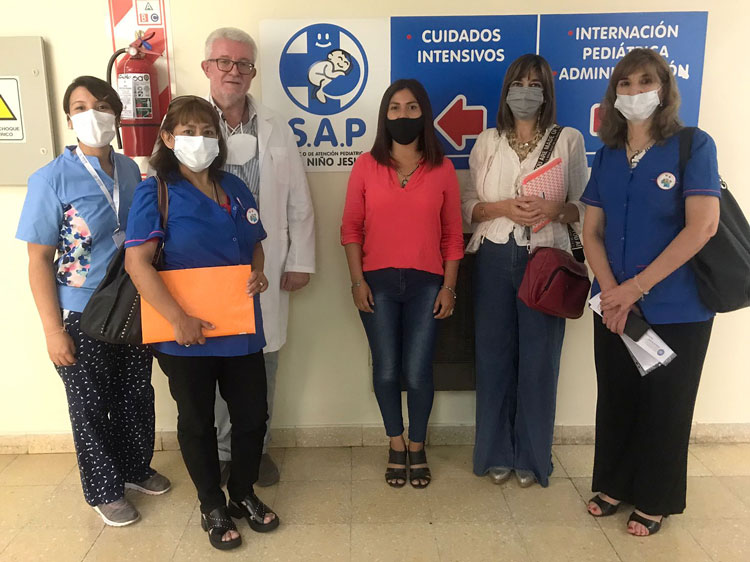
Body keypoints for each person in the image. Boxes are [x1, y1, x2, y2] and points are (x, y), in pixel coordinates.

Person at [124, 96, 279, 550]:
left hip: (240, 328)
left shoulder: (236, 187)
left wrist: (258, 272)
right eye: (188, 131)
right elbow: (138, 264)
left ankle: (243, 493)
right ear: (169, 139)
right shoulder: (156, 191)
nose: (200, 140)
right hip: (184, 336)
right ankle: (211, 504)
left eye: (208, 131)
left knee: (252, 417)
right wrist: (178, 318)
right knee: (197, 422)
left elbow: (255, 243)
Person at [16, 76, 170, 527]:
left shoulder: (131, 171)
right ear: (69, 118)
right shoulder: (50, 180)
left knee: (135, 394)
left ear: (116, 116)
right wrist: (51, 330)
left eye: (102, 105)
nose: (93, 114)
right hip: (80, 311)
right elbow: (38, 259)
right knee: (90, 403)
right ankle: (104, 488)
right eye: (81, 106)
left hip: (132, 302)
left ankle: (135, 467)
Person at [581, 48, 720, 536]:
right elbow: (590, 230)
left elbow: (702, 227)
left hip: (677, 307)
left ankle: (656, 498)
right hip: (615, 307)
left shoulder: (691, 146)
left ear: (663, 89)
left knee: (666, 405)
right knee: (617, 398)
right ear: (613, 93)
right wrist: (614, 293)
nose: (635, 92)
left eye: (645, 82)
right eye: (625, 84)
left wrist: (637, 287)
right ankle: (615, 483)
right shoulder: (606, 155)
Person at [462, 54, 588, 488]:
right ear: (507, 89)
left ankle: (534, 459)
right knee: (493, 358)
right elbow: (466, 207)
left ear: (546, 92)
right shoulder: (487, 141)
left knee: (539, 362)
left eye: (535, 83)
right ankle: (495, 452)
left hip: (546, 261)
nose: (526, 90)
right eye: (519, 82)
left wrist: (555, 209)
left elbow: (585, 208)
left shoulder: (567, 139)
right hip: (495, 257)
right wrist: (500, 208)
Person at [202, 27, 316, 487]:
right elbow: (163, 194)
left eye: (244, 64)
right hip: (205, 269)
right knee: (211, 365)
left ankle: (256, 448)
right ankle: (222, 455)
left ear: (253, 73)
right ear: (207, 67)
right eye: (225, 62)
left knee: (262, 363)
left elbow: (298, 200)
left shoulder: (275, 126)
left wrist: (300, 260)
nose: (234, 71)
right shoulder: (184, 122)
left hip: (261, 265)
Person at [341, 79, 464, 489]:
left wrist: (449, 287)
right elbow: (351, 229)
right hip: (376, 282)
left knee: (418, 370)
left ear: (424, 114)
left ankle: (417, 445)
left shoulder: (442, 168)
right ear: (384, 115)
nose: (403, 115)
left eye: (412, 108)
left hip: (428, 283)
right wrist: (357, 281)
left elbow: (452, 235)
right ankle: (395, 444)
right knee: (388, 369)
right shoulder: (365, 166)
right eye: (395, 108)